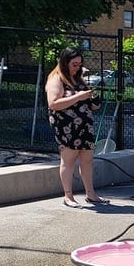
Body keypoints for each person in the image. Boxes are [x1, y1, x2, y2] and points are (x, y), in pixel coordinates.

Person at [45, 48, 109, 207]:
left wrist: (94, 102)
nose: (77, 67)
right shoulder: (56, 79)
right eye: (74, 64)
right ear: (65, 63)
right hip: (66, 125)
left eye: (80, 64)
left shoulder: (79, 78)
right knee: (69, 160)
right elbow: (53, 103)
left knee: (87, 159)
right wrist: (79, 96)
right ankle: (68, 196)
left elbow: (88, 103)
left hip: (84, 125)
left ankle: (91, 194)